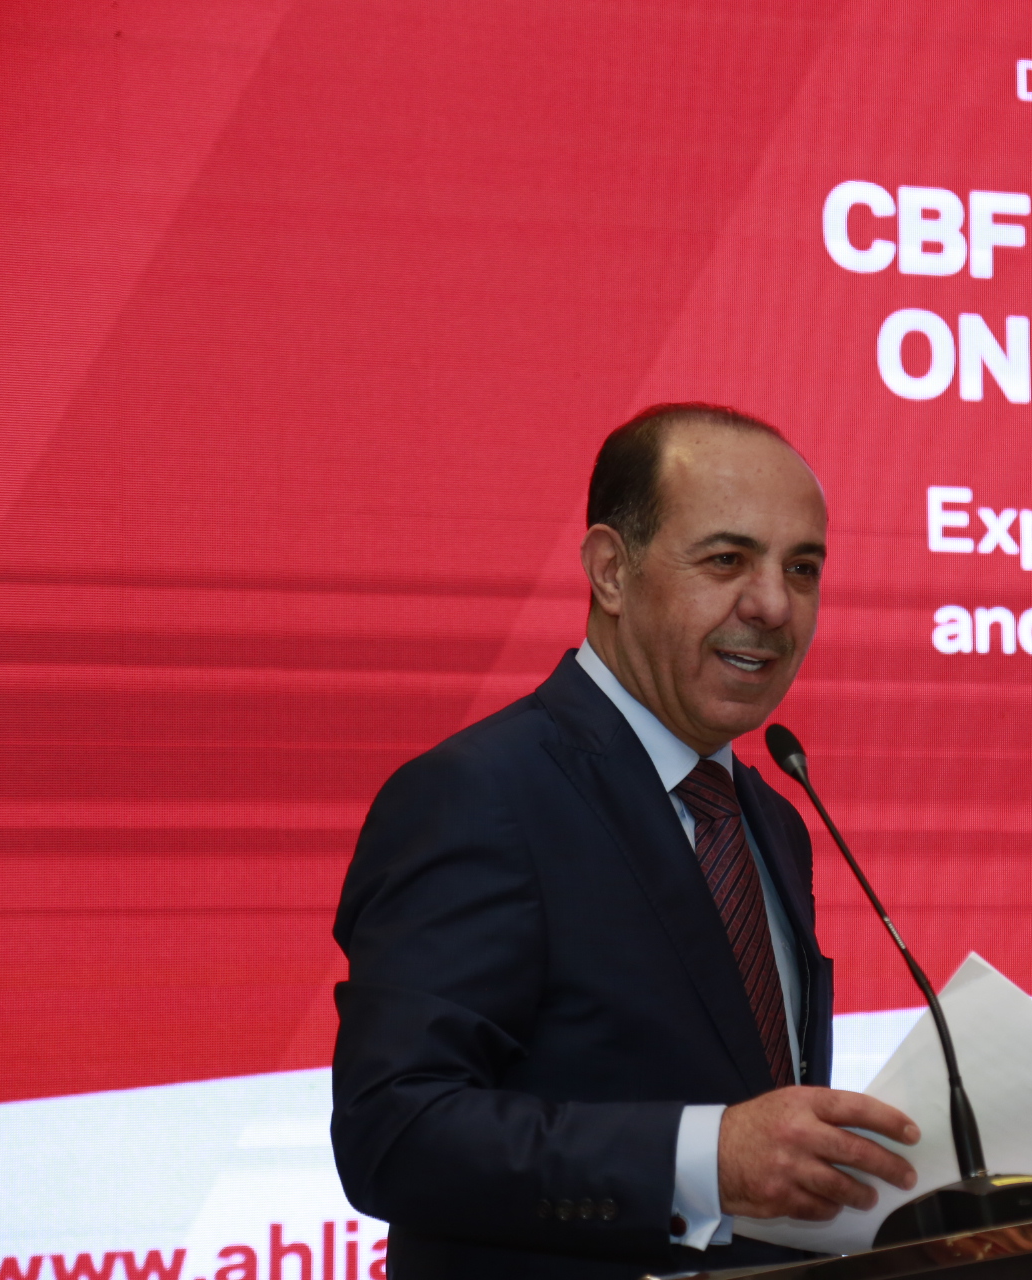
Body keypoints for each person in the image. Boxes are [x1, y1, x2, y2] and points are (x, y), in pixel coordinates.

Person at [331, 404, 920, 1280]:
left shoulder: (772, 817)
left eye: (802, 569)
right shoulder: (480, 793)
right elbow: (395, 1132)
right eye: (726, 560)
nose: (772, 604)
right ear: (611, 570)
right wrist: (704, 1159)